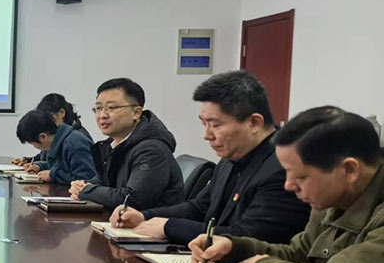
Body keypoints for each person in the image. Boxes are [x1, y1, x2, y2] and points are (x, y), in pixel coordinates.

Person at [191, 106, 384, 263]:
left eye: (300, 177)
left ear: (349, 170)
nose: (288, 186)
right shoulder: (332, 199)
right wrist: (236, 248)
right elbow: (300, 255)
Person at [110, 71, 309, 245]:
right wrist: (144, 216)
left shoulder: (284, 168)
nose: (207, 135)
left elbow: (251, 237)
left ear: (255, 122)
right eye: (203, 124)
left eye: (216, 125)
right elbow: (199, 208)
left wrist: (169, 227)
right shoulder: (232, 157)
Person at [69, 78, 183, 210]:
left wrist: (86, 191)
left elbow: (132, 199)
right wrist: (83, 185)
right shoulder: (114, 144)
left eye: (111, 108)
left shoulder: (151, 150)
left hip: (148, 221)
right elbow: (105, 181)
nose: (102, 115)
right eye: (98, 108)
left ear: (136, 113)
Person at [16, 109, 96, 184]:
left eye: (32, 143)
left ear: (43, 137)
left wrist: (53, 175)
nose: (34, 146)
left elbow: (86, 178)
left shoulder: (74, 144)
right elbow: (63, 167)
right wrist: (40, 167)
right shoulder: (58, 141)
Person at [14, 93, 91, 167]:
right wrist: (29, 161)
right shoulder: (55, 135)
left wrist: (53, 173)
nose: (46, 121)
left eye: (49, 117)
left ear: (62, 113)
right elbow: (46, 157)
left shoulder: (76, 139)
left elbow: (81, 171)